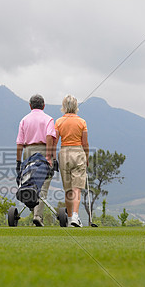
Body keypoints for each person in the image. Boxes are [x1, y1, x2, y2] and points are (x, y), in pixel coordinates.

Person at [16, 94, 57, 226]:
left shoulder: (24, 120)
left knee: (28, 181)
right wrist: (50, 157)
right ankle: (37, 216)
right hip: (43, 150)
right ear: (44, 106)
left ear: (30, 106)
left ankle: (34, 210)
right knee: (43, 184)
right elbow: (50, 137)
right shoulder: (48, 119)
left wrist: (18, 162)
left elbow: (19, 143)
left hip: (28, 151)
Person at [54, 94, 89, 227]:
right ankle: (75, 215)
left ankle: (69, 219)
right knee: (77, 188)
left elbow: (55, 141)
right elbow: (85, 143)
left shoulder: (58, 122)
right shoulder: (82, 122)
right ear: (76, 106)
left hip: (64, 153)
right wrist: (86, 157)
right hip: (78, 152)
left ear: (64, 106)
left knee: (68, 189)